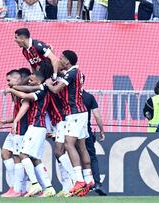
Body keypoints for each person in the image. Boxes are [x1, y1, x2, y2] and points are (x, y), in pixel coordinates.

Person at [45, 50, 94, 197]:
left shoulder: (71, 73)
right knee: (81, 145)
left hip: (74, 113)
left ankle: (78, 180)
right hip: (81, 112)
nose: (59, 60)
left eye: (61, 58)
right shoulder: (76, 72)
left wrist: (48, 84)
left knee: (68, 144)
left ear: (66, 61)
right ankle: (89, 179)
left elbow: (55, 89)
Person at [6, 71, 56, 197]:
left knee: (23, 154)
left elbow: (25, 95)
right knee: (34, 158)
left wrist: (12, 90)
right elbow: (26, 89)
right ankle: (49, 188)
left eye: (31, 80)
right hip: (39, 126)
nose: (29, 81)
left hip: (37, 125)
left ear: (38, 81)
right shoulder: (42, 88)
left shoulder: (41, 91)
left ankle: (35, 184)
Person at [0, 69, 29, 197]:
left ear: (18, 79)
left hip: (22, 128)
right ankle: (14, 186)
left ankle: (19, 188)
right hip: (16, 127)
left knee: (19, 158)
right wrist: (6, 121)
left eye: (9, 80)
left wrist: (15, 121)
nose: (7, 83)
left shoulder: (22, 91)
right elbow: (17, 111)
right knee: (5, 153)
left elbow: (25, 107)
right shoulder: (14, 92)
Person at [81, 75, 106, 196]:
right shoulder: (89, 97)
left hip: (72, 132)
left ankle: (78, 183)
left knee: (73, 156)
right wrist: (102, 130)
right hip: (87, 132)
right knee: (92, 157)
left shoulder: (68, 96)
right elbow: (97, 115)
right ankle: (97, 183)